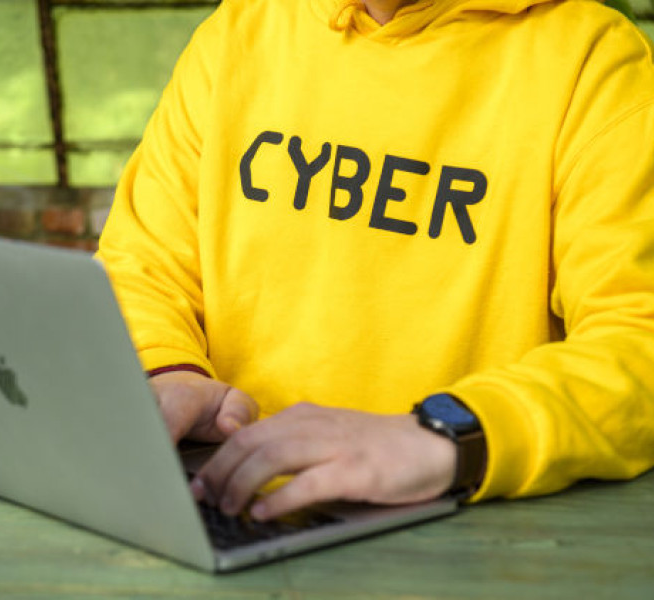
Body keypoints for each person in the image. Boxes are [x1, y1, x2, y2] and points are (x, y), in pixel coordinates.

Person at [96, 0, 654, 522]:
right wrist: (169, 371)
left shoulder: (593, 60)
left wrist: (446, 436)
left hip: (458, 524)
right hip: (219, 501)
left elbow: (637, 341)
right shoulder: (238, 30)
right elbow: (142, 263)